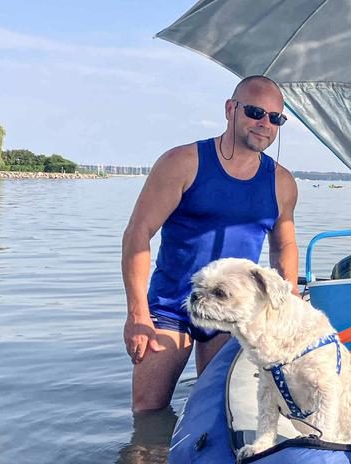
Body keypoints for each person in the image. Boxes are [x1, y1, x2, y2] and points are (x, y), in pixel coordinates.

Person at [122, 75, 299, 412]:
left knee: (222, 412)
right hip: (171, 306)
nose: (265, 124)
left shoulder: (282, 183)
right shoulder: (182, 163)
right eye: (255, 112)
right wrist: (138, 315)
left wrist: (286, 303)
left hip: (232, 311)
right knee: (148, 412)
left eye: (276, 118)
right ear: (230, 109)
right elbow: (138, 232)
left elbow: (283, 246)